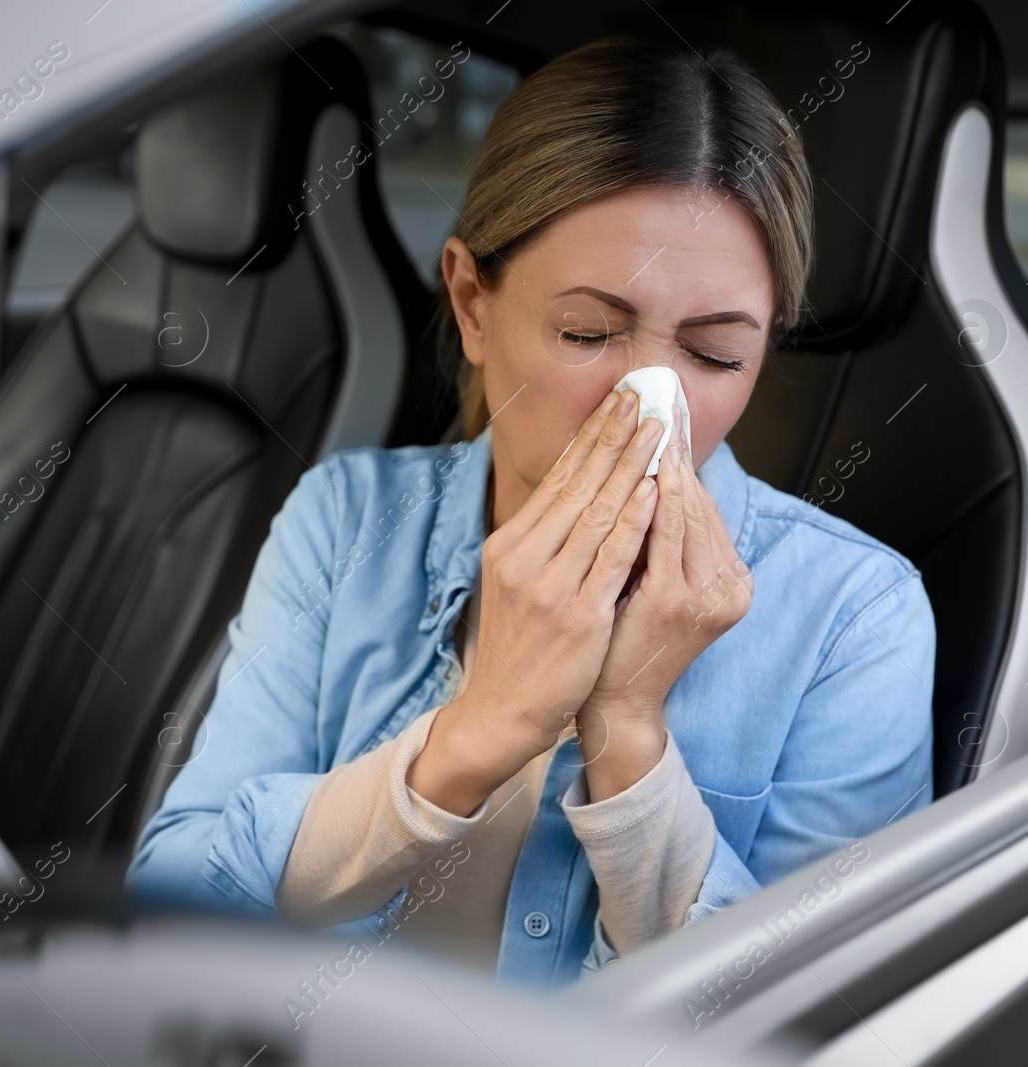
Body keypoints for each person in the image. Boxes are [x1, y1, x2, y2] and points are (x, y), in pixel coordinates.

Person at [128, 37, 935, 990]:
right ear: (473, 303)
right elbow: (171, 905)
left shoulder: (853, 619)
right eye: (588, 333)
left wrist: (628, 730)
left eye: (716, 354)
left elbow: (816, 1012)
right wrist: (481, 729)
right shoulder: (345, 522)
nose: (650, 403)